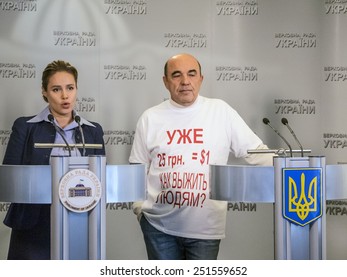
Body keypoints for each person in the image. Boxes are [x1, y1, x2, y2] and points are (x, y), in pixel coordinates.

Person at [129, 53, 273, 260]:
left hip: (205, 228)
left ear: (201, 79)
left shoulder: (220, 111)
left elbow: (255, 151)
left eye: (191, 74)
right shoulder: (150, 118)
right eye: (176, 75)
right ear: (165, 82)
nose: (185, 81)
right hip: (158, 227)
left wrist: (289, 167)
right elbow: (137, 167)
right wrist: (140, 210)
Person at [2, 60, 106, 259]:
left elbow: (100, 179)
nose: (65, 96)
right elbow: (10, 176)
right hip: (33, 222)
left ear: (76, 89)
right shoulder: (25, 126)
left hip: (80, 220)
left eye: (70, 88)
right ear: (44, 92)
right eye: (56, 89)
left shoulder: (93, 131)